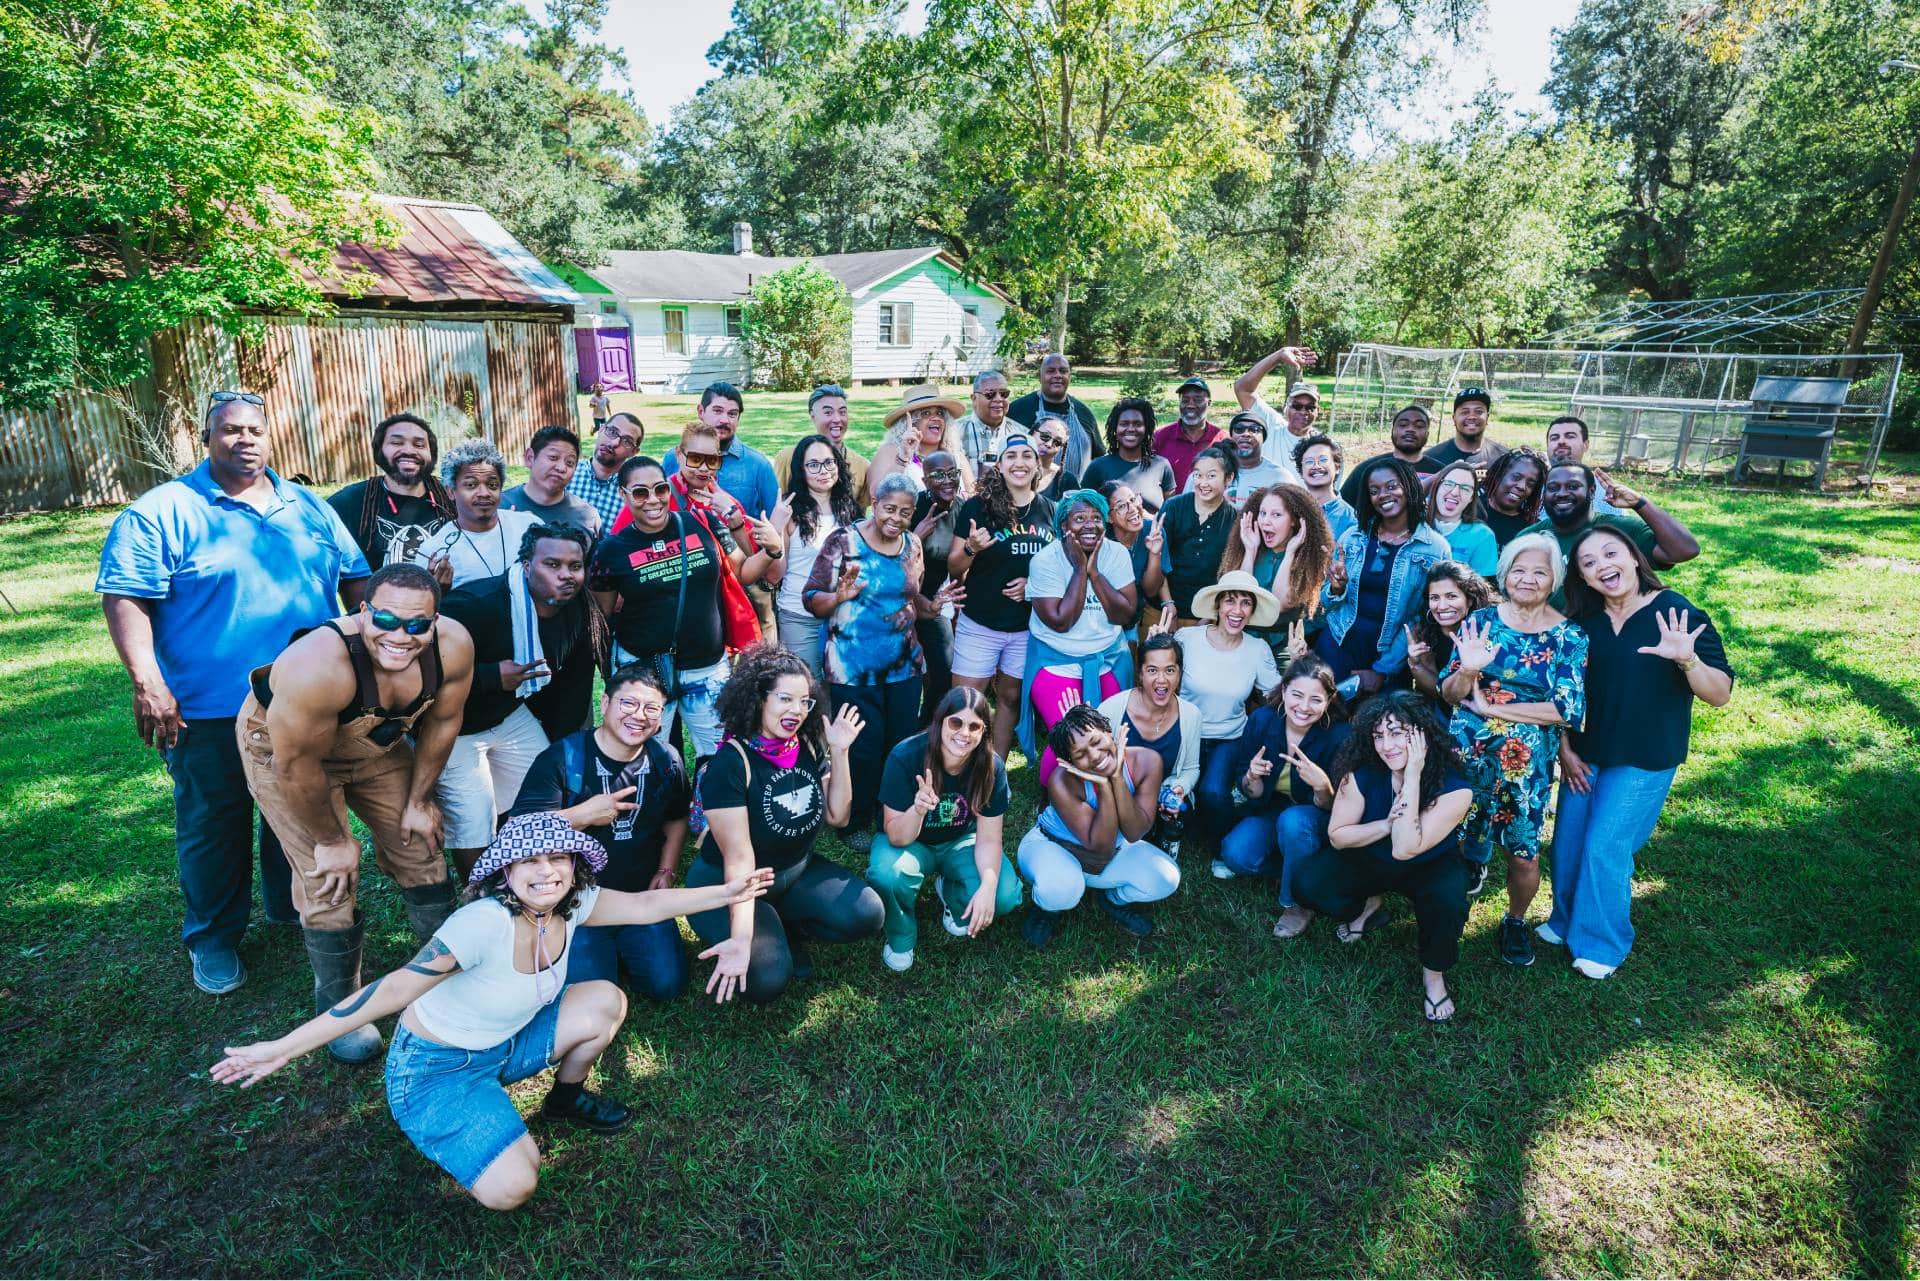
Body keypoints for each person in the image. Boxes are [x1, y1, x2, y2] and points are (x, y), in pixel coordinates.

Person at [210, 812, 774, 1210]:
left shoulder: (574, 904)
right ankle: (445, 1120)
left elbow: (652, 903)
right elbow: (389, 991)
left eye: (558, 857)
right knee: (514, 1186)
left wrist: (731, 893)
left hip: (506, 1042)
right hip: (436, 1069)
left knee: (605, 999)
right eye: (529, 861)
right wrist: (282, 1048)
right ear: (506, 872)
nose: (546, 870)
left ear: (575, 868)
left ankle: (565, 1096)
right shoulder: (481, 924)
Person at [97, 390, 370, 994]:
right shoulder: (162, 511)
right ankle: (214, 939)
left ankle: (288, 906)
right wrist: (149, 685)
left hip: (304, 701)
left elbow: (356, 584)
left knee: (300, 810)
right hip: (208, 709)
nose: (244, 439)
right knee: (213, 823)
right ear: (206, 438)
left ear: (269, 437)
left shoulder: (309, 507)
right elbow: (126, 596)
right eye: (229, 429)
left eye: (254, 429)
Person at [237, 561, 475, 1059]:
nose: (400, 636)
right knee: (329, 879)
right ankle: (339, 1008)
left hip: (375, 748)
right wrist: (333, 841)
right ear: (363, 612)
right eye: (386, 620)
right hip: (283, 755)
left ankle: (445, 971)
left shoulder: (453, 647)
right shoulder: (316, 665)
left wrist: (418, 800)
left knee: (422, 847)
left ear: (434, 621)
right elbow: (297, 768)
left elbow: (443, 723)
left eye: (416, 625)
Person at [1546, 526, 1733, 978]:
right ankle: (1564, 919)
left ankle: (1601, 943)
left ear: (1633, 557)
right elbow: (1564, 694)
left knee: (1604, 845)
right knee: (1567, 845)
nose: (1602, 566)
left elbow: (1720, 694)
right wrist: (1565, 748)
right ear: (1583, 578)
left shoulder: (1677, 612)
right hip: (1586, 752)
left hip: (1645, 754)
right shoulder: (1581, 623)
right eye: (1588, 563)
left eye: (1611, 553)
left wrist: (1686, 659)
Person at [686, 646, 883, 1004]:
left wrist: (840, 753)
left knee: (867, 914)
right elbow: (739, 859)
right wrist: (743, 939)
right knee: (766, 979)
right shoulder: (730, 763)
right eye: (785, 698)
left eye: (805, 701)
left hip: (794, 872)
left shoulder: (806, 743)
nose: (796, 710)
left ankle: (780, 923)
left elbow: (837, 816)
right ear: (758, 698)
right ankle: (754, 929)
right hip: (727, 885)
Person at [1440, 533, 1588, 967]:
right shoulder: (1480, 622)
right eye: (1519, 569)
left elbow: (1566, 707)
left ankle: (1516, 920)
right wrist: (1468, 671)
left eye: (1539, 571)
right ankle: (1450, 902)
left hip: (1527, 769)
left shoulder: (1569, 637)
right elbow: (1450, 694)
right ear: (1504, 574)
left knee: (1523, 853)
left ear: (1554, 580)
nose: (1527, 579)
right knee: (1455, 836)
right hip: (1468, 752)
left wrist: (1492, 705)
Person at [511, 667, 695, 1001]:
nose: (638, 716)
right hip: (577, 903)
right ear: (605, 702)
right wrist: (582, 815)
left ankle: (625, 947)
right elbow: (521, 834)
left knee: (667, 985)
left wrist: (666, 870)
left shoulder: (665, 760)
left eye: (651, 708)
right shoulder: (563, 758)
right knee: (590, 992)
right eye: (628, 704)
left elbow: (677, 817)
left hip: (640, 898)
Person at [1291, 693, 1475, 1023]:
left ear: (1421, 735)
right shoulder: (1360, 774)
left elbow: (1406, 848)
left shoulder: (1455, 788)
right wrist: (1385, 824)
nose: (1386, 745)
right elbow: (1338, 835)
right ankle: (1368, 906)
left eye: (1397, 733)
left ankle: (1433, 975)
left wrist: (1413, 777)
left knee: (1448, 901)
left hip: (1428, 864)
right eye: (1378, 735)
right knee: (1307, 883)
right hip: (1372, 857)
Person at [589, 455, 785, 761]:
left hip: (707, 669)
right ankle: (662, 810)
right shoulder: (612, 550)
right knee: (646, 759)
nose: (653, 500)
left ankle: (707, 810)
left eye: (660, 489)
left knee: (720, 756)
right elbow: (604, 613)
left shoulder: (701, 523)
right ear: (623, 495)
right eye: (640, 492)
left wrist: (773, 548)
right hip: (645, 674)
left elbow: (743, 572)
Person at [438, 523, 606, 877]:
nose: (566, 576)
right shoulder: (475, 606)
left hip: (511, 714)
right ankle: (480, 893)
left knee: (543, 796)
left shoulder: (576, 610)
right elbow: (425, 670)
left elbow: (574, 686)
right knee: (473, 819)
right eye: (553, 565)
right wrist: (489, 677)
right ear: (527, 564)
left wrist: (564, 747)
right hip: (455, 725)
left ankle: (528, 874)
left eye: (574, 567)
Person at [803, 473, 956, 851]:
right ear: (874, 503)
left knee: (901, 744)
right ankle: (854, 818)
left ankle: (894, 812)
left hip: (904, 666)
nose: (897, 518)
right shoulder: (843, 542)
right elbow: (811, 599)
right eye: (890, 509)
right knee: (862, 747)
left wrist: (930, 607)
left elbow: (909, 597)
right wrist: (837, 596)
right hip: (851, 669)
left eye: (905, 512)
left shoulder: (912, 545)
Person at [866, 687, 1022, 972]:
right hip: (910, 842)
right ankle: (901, 933)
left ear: (984, 732)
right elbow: (897, 836)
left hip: (960, 841)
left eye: (974, 726)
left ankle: (951, 891)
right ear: (940, 721)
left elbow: (989, 838)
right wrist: (918, 809)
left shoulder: (991, 766)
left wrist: (988, 886)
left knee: (1004, 894)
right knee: (888, 875)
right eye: (956, 722)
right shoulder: (906, 756)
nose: (964, 733)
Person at [1016, 703, 1179, 947]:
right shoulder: (1061, 781)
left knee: (1165, 878)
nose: (1093, 756)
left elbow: (1134, 833)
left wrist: (1116, 778)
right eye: (1080, 754)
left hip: (1112, 852)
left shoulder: (1147, 761)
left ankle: (1113, 899)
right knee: (1062, 889)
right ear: (1070, 761)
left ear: (1107, 730)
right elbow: (1099, 846)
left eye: (1095, 741)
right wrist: (1103, 786)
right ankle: (1046, 908)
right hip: (1053, 846)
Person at [1218, 655, 1350, 937]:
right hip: (1271, 808)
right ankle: (1301, 869)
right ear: (1284, 689)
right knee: (1236, 855)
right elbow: (1249, 791)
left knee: (1293, 822)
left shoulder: (1339, 736)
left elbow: (1339, 807)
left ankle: (1297, 902)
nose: (1304, 707)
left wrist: (1323, 786)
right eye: (1297, 695)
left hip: (1314, 816)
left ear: (1330, 700)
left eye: (1316, 699)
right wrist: (1251, 777)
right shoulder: (1263, 720)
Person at [1018, 489, 1139, 782]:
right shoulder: (1045, 560)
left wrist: (1094, 573)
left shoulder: (1116, 553)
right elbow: (1061, 621)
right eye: (1079, 518)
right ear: (1063, 527)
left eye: (1096, 518)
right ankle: (1053, 797)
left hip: (1107, 658)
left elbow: (1124, 616)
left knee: (1110, 734)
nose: (1089, 524)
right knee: (1071, 735)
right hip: (1056, 661)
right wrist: (1079, 569)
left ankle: (1106, 794)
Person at [947, 435, 1056, 761]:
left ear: (1038, 464)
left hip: (1026, 629)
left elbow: (1062, 570)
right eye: (1011, 456)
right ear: (1001, 465)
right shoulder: (977, 507)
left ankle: (994, 767)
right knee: (964, 700)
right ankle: (956, 764)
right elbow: (954, 566)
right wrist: (971, 548)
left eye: (1027, 456)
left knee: (1010, 698)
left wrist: (1033, 584)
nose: (1019, 463)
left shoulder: (1050, 510)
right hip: (981, 623)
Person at [1316, 456, 1452, 696]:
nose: (1384, 495)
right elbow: (1327, 603)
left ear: (1408, 487)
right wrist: (1336, 588)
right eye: (1374, 490)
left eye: (1392, 486)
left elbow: (1423, 617)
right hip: (1338, 644)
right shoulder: (1352, 538)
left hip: (1390, 655)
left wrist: (1382, 670)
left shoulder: (1434, 548)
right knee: (1328, 717)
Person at [1175, 570, 1284, 851]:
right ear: (1218, 606)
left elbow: (1279, 696)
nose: (1237, 611)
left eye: (1245, 603)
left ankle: (1221, 845)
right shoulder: (1187, 638)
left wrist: (1298, 663)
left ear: (1252, 611)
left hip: (1230, 736)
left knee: (1213, 793)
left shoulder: (1257, 649)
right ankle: (1177, 833)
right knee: (1180, 794)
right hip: (1186, 733)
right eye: (1230, 601)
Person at [1522, 461, 1700, 609]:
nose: (1561, 493)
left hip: (1610, 639)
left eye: (1573, 486)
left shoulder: (1619, 530)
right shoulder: (1528, 539)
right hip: (1547, 642)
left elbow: (1685, 549)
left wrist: (1639, 503)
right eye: (1553, 488)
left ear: (1592, 492)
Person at [1097, 634, 1201, 853]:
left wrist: (1180, 788)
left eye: (1169, 670)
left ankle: (1157, 836)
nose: (1161, 680)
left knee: (1184, 811)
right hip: (1118, 795)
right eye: (1152, 670)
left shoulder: (1191, 715)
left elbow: (1191, 768)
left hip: (1163, 796)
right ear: (1140, 674)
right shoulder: (1111, 710)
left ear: (1179, 673)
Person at [774, 432, 862, 678]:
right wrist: (774, 530)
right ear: (800, 470)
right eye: (813, 464)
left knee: (842, 691)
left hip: (844, 615)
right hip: (800, 618)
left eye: (829, 462)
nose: (823, 470)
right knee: (806, 689)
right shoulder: (788, 511)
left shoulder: (850, 508)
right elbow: (774, 575)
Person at [1217, 482, 1335, 660]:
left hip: (1283, 648)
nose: (1265, 521)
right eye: (1263, 513)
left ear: (1295, 521)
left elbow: (1279, 605)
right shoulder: (1247, 549)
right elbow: (1239, 596)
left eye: (1276, 515)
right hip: (1241, 640)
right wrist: (1250, 550)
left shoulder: (1307, 557)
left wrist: (1289, 553)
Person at [404, 440, 539, 591]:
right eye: (471, 485)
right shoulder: (434, 552)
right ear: (450, 491)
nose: (484, 493)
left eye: (492, 485)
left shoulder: (529, 527)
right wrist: (437, 594)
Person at [327, 413, 455, 571]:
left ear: (431, 454)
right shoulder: (348, 504)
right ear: (379, 450)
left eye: (419, 445)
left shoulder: (453, 496)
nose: (408, 450)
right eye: (396, 442)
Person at [1145, 444, 1238, 633]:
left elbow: (1229, 571)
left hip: (1207, 615)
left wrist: (1210, 615)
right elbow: (1160, 557)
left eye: (1212, 476)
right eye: (1198, 475)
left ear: (1229, 478)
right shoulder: (1173, 507)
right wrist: (1167, 603)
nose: (1203, 483)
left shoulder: (1234, 519)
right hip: (1162, 609)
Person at [661, 382, 780, 520]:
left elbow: (774, 520)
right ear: (701, 411)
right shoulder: (674, 458)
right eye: (717, 411)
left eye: (732, 414)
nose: (724, 420)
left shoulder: (758, 465)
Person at [1405, 560, 1497, 704]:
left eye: (1451, 596)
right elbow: (1437, 692)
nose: (1441, 606)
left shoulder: (1492, 631)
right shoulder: (1425, 632)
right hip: (1445, 711)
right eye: (1435, 598)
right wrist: (1416, 664)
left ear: (1470, 599)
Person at [871, 384, 975, 499]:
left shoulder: (954, 454)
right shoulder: (891, 450)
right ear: (910, 421)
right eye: (926, 413)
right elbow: (876, 495)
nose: (936, 418)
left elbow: (973, 494)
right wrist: (903, 457)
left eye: (940, 413)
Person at [1007, 353, 1103, 475]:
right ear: (1040, 377)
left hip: (1077, 492)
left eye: (1063, 371)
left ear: (1069, 376)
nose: (1057, 375)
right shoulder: (1019, 410)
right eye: (1050, 371)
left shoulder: (1083, 412)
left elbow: (1099, 459)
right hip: (1029, 492)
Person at [772, 385, 869, 499]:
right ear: (813, 416)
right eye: (828, 413)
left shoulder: (862, 466)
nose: (837, 419)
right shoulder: (787, 458)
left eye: (842, 412)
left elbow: (860, 513)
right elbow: (775, 503)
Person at [503, 426, 601, 537]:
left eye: (569, 462)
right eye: (553, 457)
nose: (561, 468)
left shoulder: (587, 518)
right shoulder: (499, 507)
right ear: (530, 458)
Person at [1082, 398, 1177, 512]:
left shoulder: (1161, 466)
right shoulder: (1097, 467)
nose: (1131, 429)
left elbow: (1170, 514)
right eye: (1124, 424)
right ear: (1115, 428)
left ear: (1146, 428)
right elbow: (1086, 511)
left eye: (1138, 424)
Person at [1338, 404, 1432, 508]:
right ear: (1392, 431)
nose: (1410, 429)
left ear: (1427, 434)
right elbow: (1343, 507)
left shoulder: (1439, 471)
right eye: (1403, 424)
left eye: (1419, 426)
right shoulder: (1367, 469)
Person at [1193, 412, 1298, 502]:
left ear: (1264, 438)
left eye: (1254, 429)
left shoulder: (1279, 477)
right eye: (1239, 429)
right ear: (1231, 436)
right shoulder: (1207, 469)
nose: (1246, 434)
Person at [568, 413, 645, 534]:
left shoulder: (632, 495)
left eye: (626, 441)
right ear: (601, 429)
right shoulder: (567, 474)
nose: (614, 443)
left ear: (634, 452)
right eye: (612, 431)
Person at [1097, 482, 1153, 638]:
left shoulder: (1151, 530)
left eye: (1133, 499)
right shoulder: (1099, 543)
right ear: (1108, 517)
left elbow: (1152, 589)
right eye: (1121, 506)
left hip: (1132, 621)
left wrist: (1155, 553)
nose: (1132, 508)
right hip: (1101, 623)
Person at [1423, 461, 1498, 577]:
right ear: (1436, 486)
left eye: (1465, 488)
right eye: (1448, 483)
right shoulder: (1415, 524)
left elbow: (1482, 588)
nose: (1455, 492)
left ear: (1471, 497)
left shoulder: (1482, 535)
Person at [1150, 376, 1226, 491]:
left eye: (1198, 400)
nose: (1190, 405)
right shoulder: (1160, 437)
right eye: (1185, 400)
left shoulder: (1222, 439)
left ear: (1209, 403)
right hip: (1171, 507)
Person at [1233, 344, 1322, 441]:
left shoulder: (1322, 445)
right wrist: (1279, 356)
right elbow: (1242, 389)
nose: (1303, 411)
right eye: (1297, 406)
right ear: (1286, 407)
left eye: (1310, 407)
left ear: (1318, 411)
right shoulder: (1272, 426)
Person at [1420, 386, 1508, 473]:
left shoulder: (1504, 459)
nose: (1472, 417)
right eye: (1465, 412)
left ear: (1487, 418)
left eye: (1479, 412)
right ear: (1454, 418)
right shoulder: (1431, 458)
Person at [1544, 415, 1620, 515]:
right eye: (1554, 438)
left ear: (1586, 445)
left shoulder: (1606, 492)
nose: (1561, 441)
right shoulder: (1530, 485)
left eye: (1570, 436)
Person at [1295, 432, 1357, 545]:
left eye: (1323, 460)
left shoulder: (1349, 519)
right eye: (1309, 462)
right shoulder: (1290, 509)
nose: (1316, 466)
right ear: (1301, 471)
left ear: (1337, 467)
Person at [1479, 447, 1547, 547]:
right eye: (1516, 477)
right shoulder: (1471, 509)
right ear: (1499, 476)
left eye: (1530, 484)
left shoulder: (1533, 530)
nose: (1522, 486)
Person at [956, 369, 1015, 475]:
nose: (998, 399)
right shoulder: (954, 433)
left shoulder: (1020, 434)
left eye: (1003, 394)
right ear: (974, 398)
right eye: (990, 394)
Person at [1028, 413, 1082, 501]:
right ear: (1032, 434)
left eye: (1057, 443)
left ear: (1061, 448)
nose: (1049, 444)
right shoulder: (1012, 469)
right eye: (1045, 436)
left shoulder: (1067, 480)